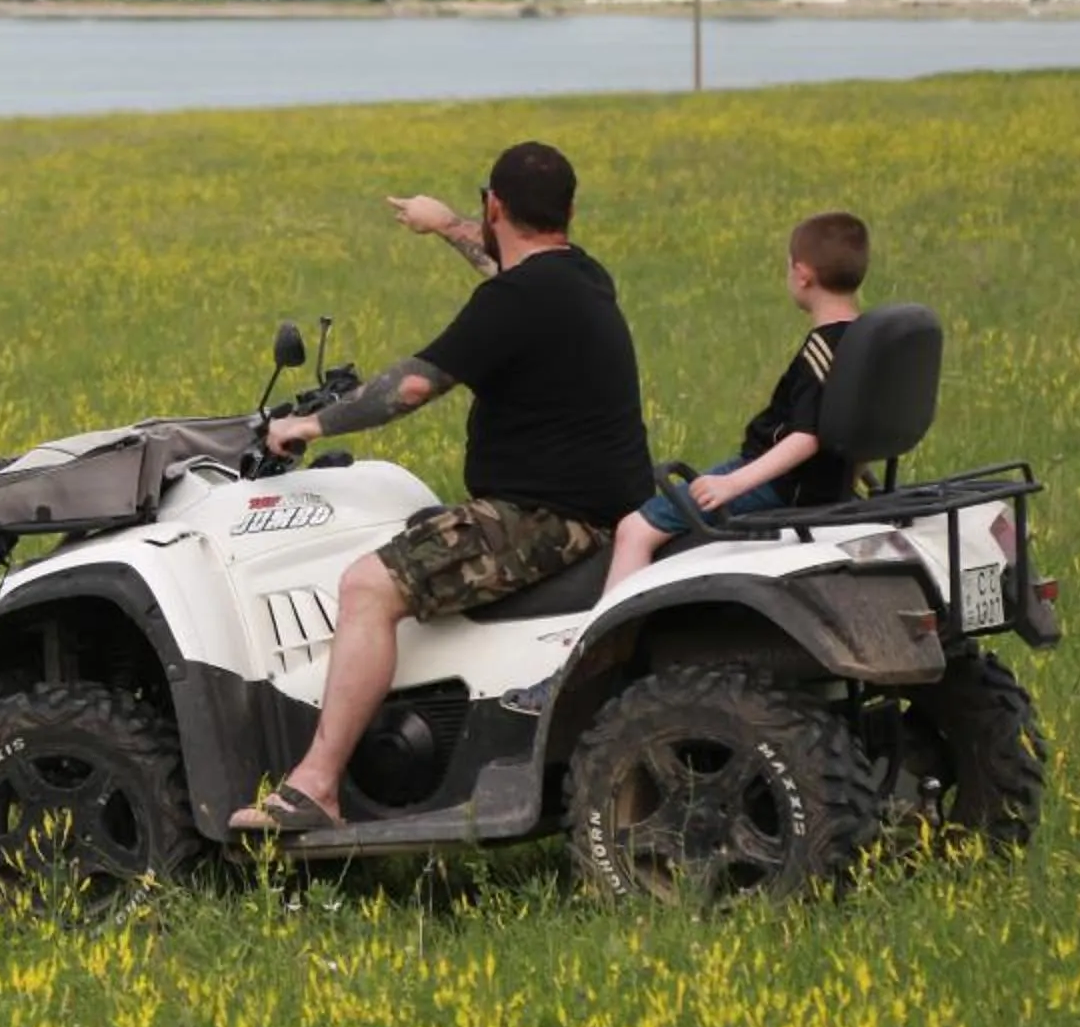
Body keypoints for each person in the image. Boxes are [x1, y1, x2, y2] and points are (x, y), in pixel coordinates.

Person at [228, 142, 652, 835]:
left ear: (495, 205)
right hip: (601, 507)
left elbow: (413, 386)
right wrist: (445, 225)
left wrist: (309, 423)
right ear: (569, 212)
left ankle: (317, 785)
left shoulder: (511, 302)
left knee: (367, 585)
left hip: (546, 518)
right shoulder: (583, 278)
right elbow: (505, 260)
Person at [499, 210, 870, 718]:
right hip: (822, 485)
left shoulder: (820, 350)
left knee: (635, 529)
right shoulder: (865, 340)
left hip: (779, 484)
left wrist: (733, 483)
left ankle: (579, 670)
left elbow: (806, 437)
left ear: (801, 273)